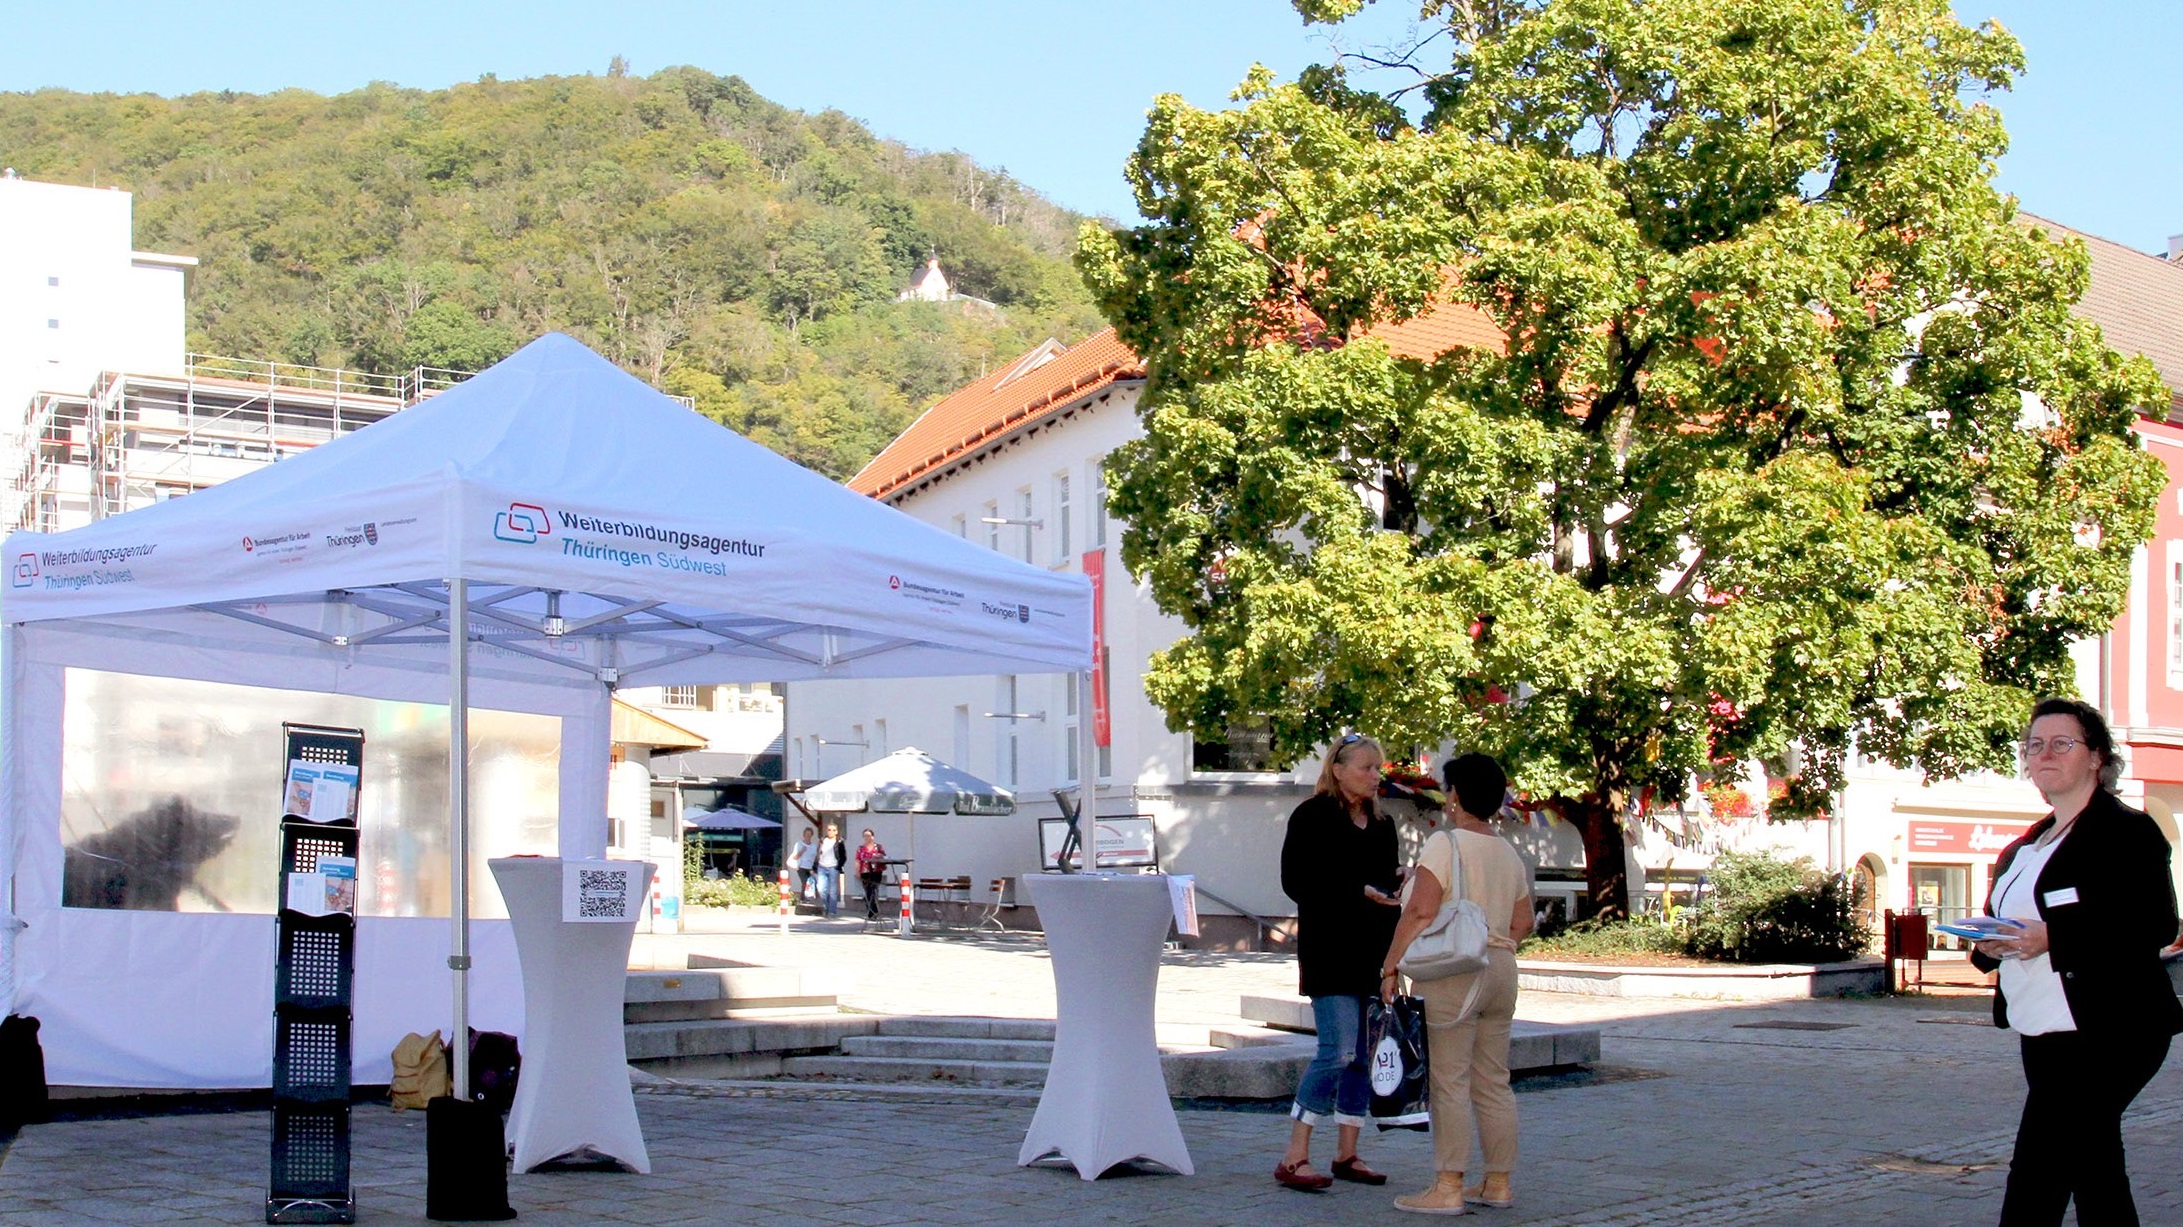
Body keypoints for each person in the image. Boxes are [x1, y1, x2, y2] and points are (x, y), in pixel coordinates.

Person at [1969, 697, 2183, 1226]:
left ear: (2095, 758)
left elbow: (2155, 925)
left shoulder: (2127, 833)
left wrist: (2054, 938)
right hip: (2041, 1030)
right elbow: (2003, 920)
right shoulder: (2024, 847)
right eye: (2034, 745)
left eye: (2061, 743)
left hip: (2112, 1031)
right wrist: (1988, 944)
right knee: (2095, 1170)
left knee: (2038, 1174)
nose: (2045, 754)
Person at [1379, 752, 1534, 1215]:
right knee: (1494, 1080)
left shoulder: (1446, 844)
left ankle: (1448, 1186)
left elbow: (1422, 910)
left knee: (1450, 1080)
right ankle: (1498, 1183)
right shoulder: (1508, 850)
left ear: (1456, 795)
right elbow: (1523, 921)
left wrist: (1391, 964)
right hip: (1501, 966)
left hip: (1455, 971)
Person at [1274, 732, 1402, 1192]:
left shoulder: (1384, 823)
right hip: (1329, 948)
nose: (1374, 776)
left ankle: (1347, 1153)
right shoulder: (1312, 816)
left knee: (1362, 1059)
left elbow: (1387, 881)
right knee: (1338, 1050)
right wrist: (1357, 892)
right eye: (1366, 767)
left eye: (1377, 768)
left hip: (1373, 950)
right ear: (1338, 769)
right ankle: (1294, 1157)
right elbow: (1296, 881)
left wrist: (1400, 886)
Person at [815, 822, 848, 918]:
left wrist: (839, 866)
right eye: (829, 830)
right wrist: (815, 864)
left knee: (833, 890)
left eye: (833, 830)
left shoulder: (839, 842)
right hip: (822, 866)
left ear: (836, 832)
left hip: (833, 867)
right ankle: (826, 906)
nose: (831, 832)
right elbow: (818, 853)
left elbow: (843, 856)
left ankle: (832, 911)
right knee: (821, 889)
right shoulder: (822, 840)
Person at [855, 828, 889, 920]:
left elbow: (884, 856)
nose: (867, 838)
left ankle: (874, 912)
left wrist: (880, 856)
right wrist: (857, 871)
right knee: (868, 891)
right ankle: (871, 913)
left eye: (869, 835)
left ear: (873, 837)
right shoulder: (861, 848)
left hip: (876, 871)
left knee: (874, 891)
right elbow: (858, 860)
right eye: (865, 836)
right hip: (865, 872)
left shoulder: (878, 847)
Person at [790, 827, 819, 902]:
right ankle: (803, 898)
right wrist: (801, 851)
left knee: (812, 882)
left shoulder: (814, 846)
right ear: (804, 835)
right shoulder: (799, 844)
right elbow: (795, 857)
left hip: (809, 867)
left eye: (809, 834)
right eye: (806, 834)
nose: (808, 836)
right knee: (805, 882)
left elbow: (815, 857)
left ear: (811, 835)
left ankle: (807, 898)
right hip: (801, 866)